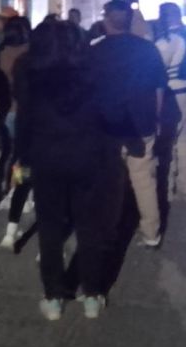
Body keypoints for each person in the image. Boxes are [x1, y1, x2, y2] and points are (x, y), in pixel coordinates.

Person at [15, 21, 123, 321]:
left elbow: (24, 122)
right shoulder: (94, 73)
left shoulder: (31, 74)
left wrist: (22, 158)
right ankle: (92, 294)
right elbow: (112, 115)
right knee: (90, 226)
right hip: (88, 157)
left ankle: (53, 297)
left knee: (49, 228)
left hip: (46, 159)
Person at [89, 0, 167, 249]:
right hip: (141, 123)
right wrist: (155, 118)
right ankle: (151, 232)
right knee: (144, 180)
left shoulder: (95, 51)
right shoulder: (147, 49)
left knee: (110, 181)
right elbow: (159, 88)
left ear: (105, 20)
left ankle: (109, 229)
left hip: (107, 126)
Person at [0, 16, 32, 247]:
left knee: (12, 154)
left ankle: (8, 188)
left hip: (7, 112)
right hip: (25, 113)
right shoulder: (29, 54)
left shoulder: (1, 54)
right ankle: (20, 190)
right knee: (23, 158)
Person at [155, 3, 186, 200]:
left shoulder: (167, 41)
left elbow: (157, 68)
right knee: (184, 138)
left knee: (167, 142)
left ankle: (168, 187)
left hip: (171, 93)